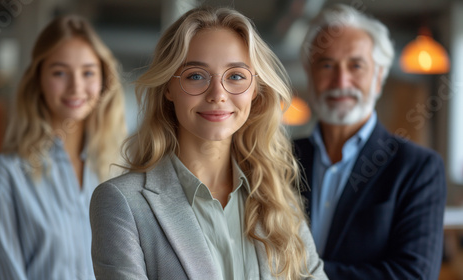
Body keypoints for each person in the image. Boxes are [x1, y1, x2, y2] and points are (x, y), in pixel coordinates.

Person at [90, 6, 327, 280]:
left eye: (236, 76)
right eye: (195, 76)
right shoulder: (122, 202)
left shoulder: (279, 199)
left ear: (255, 90)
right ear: (168, 86)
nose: (218, 94)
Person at [293, 4, 447, 280]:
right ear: (309, 73)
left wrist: (298, 274)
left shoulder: (418, 168)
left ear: (378, 77)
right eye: (326, 64)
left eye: (356, 65)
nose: (341, 80)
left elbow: (413, 275)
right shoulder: (279, 158)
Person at [0, 15, 127, 280]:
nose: (76, 87)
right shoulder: (4, 177)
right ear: (38, 80)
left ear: (104, 79)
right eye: (59, 72)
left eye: (88, 72)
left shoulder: (118, 169)